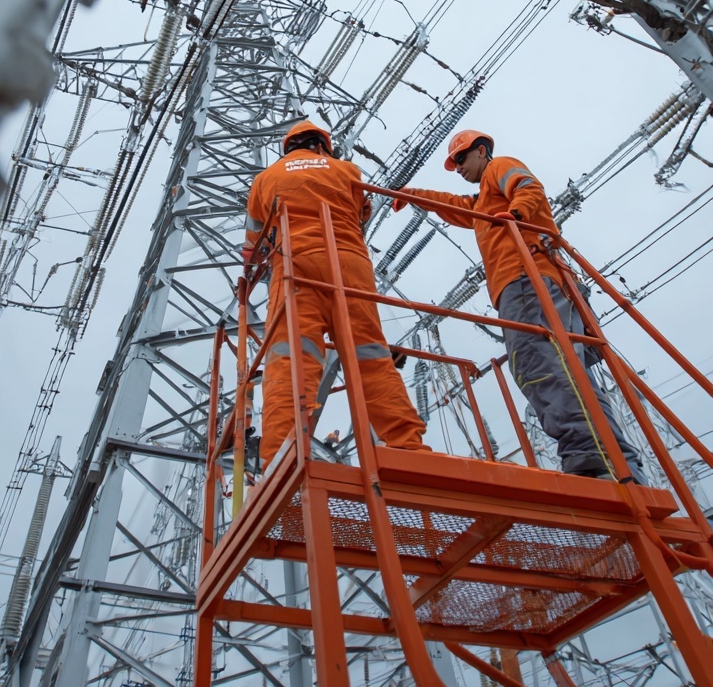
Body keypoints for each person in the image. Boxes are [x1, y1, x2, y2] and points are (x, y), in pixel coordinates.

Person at [392, 129, 646, 483]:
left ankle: (591, 461)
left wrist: (517, 215)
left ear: (481, 151)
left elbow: (527, 187)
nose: (458, 168)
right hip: (534, 281)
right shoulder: (483, 200)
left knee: (536, 362)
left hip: (526, 278)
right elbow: (455, 206)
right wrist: (413, 194)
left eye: (461, 159)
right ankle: (618, 464)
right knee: (570, 368)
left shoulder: (500, 168)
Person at [244, 120, 429, 471]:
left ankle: (279, 459)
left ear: (289, 148)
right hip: (349, 264)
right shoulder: (347, 169)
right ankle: (409, 449)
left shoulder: (265, 179)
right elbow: (361, 216)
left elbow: (252, 248)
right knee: (370, 355)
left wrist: (253, 268)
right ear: (322, 146)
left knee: (292, 360)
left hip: (295, 266)